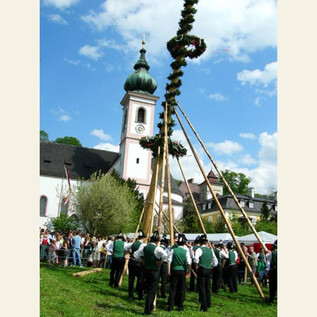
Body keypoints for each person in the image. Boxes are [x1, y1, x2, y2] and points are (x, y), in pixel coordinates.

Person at [134, 231, 167, 316]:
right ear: (157, 241)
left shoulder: (144, 247)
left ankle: (149, 306)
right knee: (152, 291)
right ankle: (147, 310)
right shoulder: (158, 249)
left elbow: (135, 255)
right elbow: (165, 256)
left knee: (148, 289)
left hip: (145, 270)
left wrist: (142, 260)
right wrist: (161, 262)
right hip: (154, 271)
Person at [167, 233, 192, 312]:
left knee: (173, 289)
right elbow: (189, 263)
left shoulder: (173, 250)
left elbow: (169, 261)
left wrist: (168, 271)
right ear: (184, 243)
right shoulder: (186, 251)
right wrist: (189, 272)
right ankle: (180, 306)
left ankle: (170, 306)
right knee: (181, 289)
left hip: (174, 270)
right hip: (182, 271)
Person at [194, 234, 218, 312]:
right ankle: (208, 303)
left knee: (202, 288)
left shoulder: (199, 249)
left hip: (202, 269)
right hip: (209, 269)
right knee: (208, 287)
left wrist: (197, 265)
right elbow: (215, 261)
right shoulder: (210, 250)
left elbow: (195, 259)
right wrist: (211, 266)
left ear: (200, 242)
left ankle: (204, 306)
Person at [126, 230, 147, 300]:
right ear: (143, 238)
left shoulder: (133, 243)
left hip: (131, 262)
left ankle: (130, 295)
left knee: (131, 279)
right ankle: (140, 295)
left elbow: (126, 248)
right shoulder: (143, 245)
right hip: (139, 263)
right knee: (140, 280)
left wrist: (129, 253)